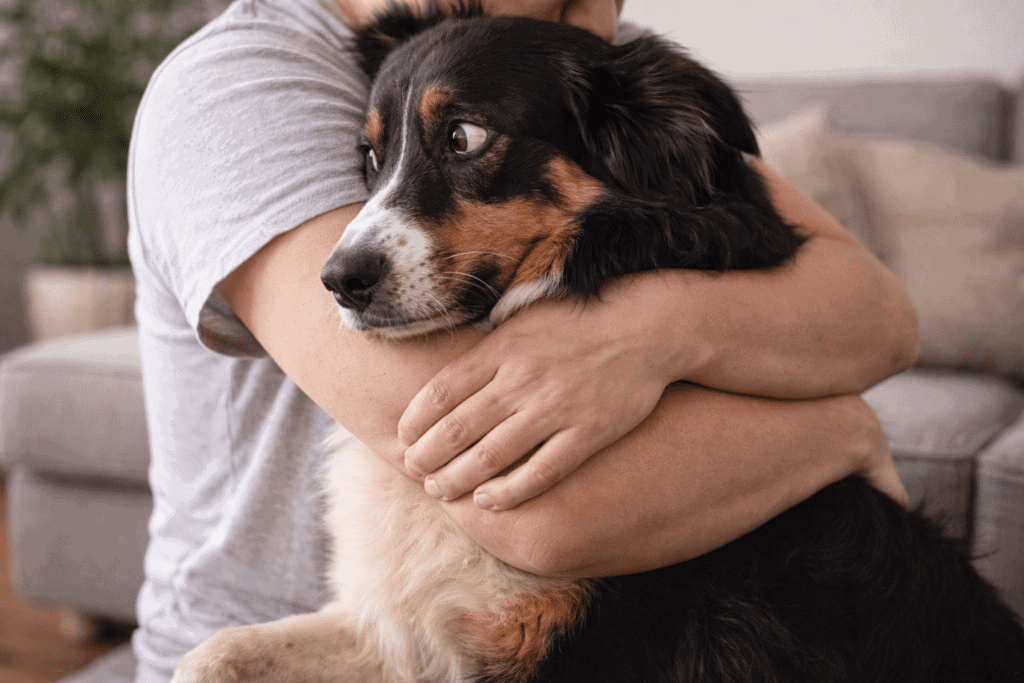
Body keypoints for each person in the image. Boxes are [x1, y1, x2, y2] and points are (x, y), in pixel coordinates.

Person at [127, 0, 918, 680]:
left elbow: (882, 317)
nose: (599, 13)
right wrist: (832, 432)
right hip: (331, 637)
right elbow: (535, 516)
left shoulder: (547, 60)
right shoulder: (238, 85)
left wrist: (663, 331)